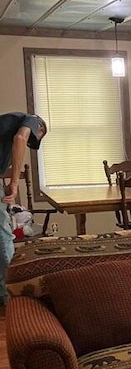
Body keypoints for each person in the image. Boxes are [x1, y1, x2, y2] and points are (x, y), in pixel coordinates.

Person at [0, 112, 47, 305]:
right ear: (40, 129)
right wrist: (15, 182)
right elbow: (20, 139)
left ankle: (4, 294)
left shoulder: (7, 123)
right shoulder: (32, 120)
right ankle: (13, 292)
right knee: (3, 234)